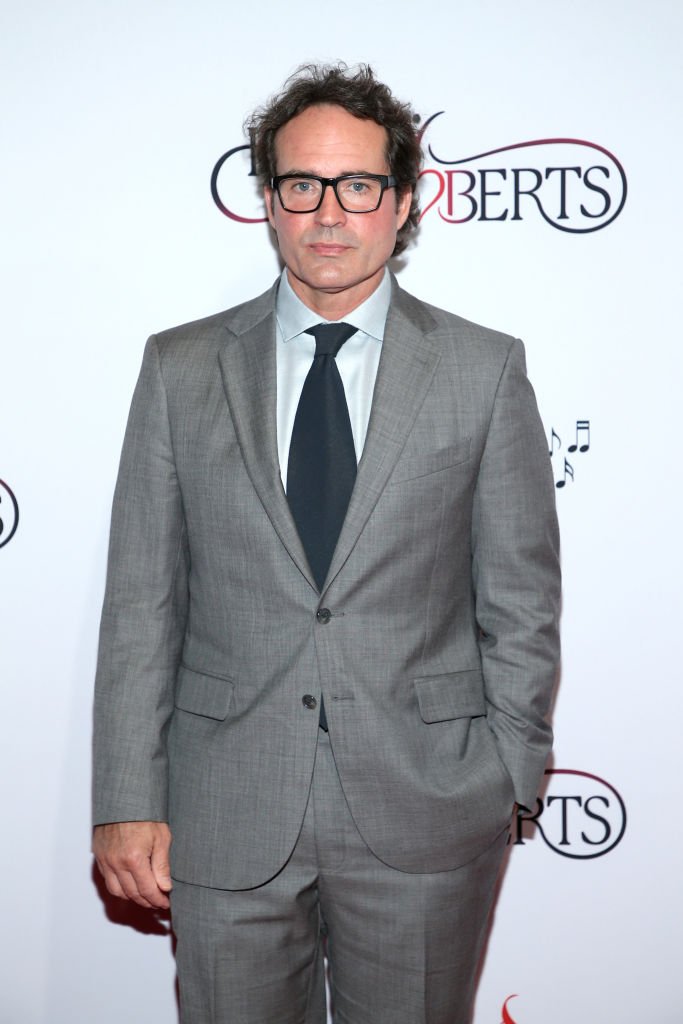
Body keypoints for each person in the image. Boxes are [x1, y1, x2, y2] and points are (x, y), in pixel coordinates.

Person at [92, 63, 561, 1024]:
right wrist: (124, 798)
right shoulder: (180, 367)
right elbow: (143, 600)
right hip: (222, 804)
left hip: (427, 805)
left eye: (358, 186)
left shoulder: (482, 369)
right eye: (302, 185)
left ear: (403, 203)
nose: (329, 213)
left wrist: (504, 777)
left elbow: (520, 600)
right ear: (268, 200)